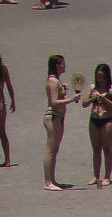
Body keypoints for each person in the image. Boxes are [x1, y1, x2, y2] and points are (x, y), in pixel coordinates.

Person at [40, 55, 71, 191]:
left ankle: (52, 179)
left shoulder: (57, 81)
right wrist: (71, 99)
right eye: (63, 63)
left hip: (58, 117)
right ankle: (47, 181)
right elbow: (53, 102)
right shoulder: (53, 81)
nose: (65, 65)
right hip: (53, 116)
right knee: (50, 149)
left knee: (55, 149)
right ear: (57, 65)